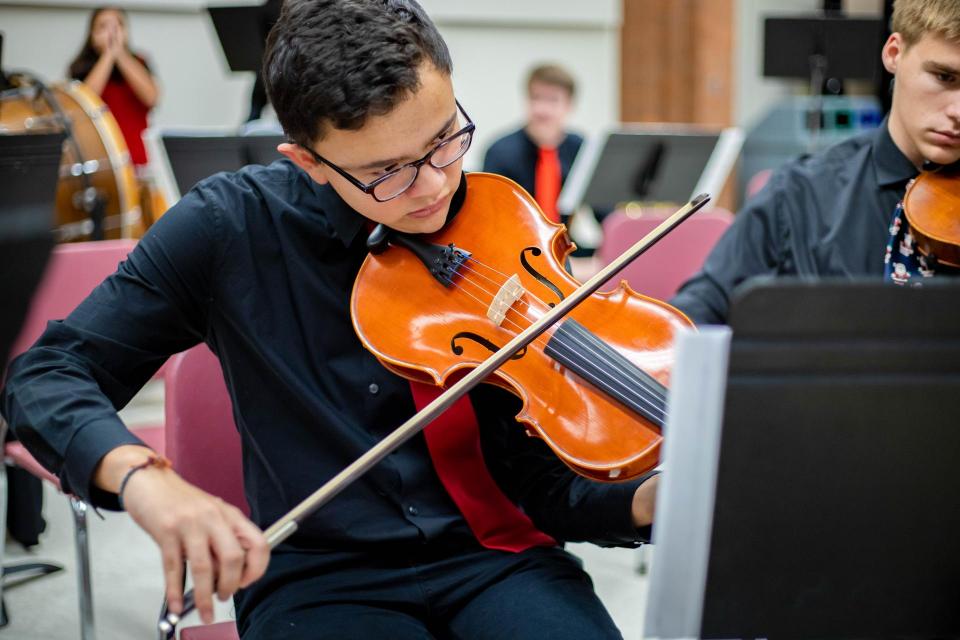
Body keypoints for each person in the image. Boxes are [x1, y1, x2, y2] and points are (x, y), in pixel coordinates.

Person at [3, 2, 659, 638]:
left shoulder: (493, 226)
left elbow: (535, 481)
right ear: (308, 160)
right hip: (318, 576)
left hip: (494, 558)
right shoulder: (229, 228)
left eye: (443, 142)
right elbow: (46, 376)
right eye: (387, 172)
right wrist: (145, 480)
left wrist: (640, 501)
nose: (432, 187)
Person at [671, 0, 960, 325]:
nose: (958, 112)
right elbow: (693, 318)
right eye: (944, 77)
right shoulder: (797, 196)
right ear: (895, 53)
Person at [483, 64, 583, 224]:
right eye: (536, 98)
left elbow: (603, 213)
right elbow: (491, 215)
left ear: (569, 106)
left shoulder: (581, 149)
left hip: (566, 244)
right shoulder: (500, 151)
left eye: (553, 100)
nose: (542, 109)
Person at [68, 6, 159, 168]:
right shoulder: (80, 68)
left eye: (118, 26)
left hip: (138, 160)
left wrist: (120, 54)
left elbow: (151, 97)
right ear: (92, 34)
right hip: (98, 161)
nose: (112, 32)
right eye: (103, 26)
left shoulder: (139, 62)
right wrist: (108, 55)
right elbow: (85, 103)